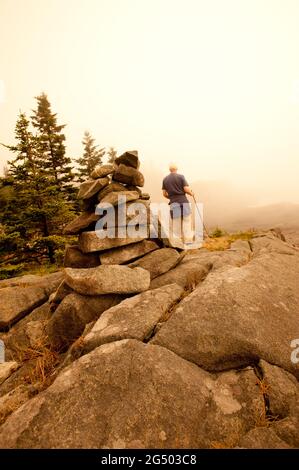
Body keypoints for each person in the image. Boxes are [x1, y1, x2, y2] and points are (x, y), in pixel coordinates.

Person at [162, 163, 194, 245]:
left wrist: (172, 198)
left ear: (170, 169)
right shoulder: (181, 177)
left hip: (173, 202)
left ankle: (177, 243)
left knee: (176, 223)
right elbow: (186, 189)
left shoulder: (165, 179)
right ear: (177, 169)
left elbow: (164, 194)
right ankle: (188, 241)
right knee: (186, 222)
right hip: (183, 201)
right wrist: (191, 193)